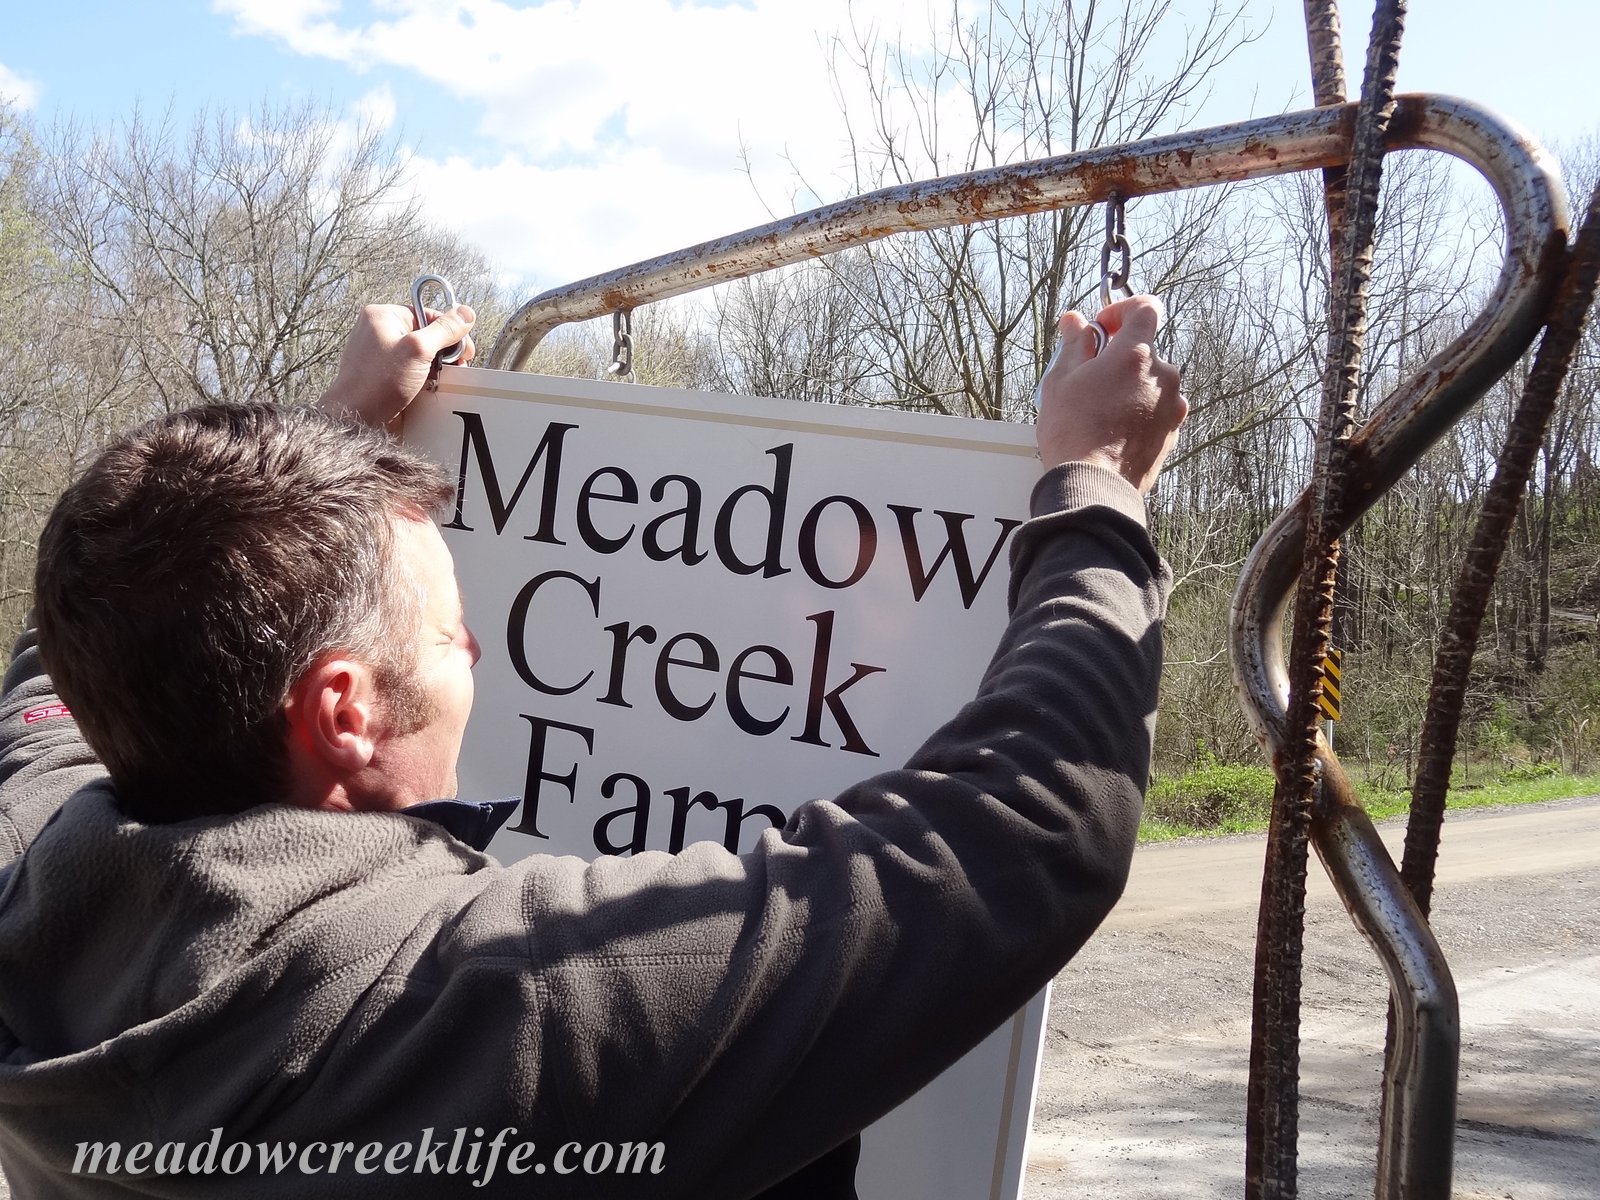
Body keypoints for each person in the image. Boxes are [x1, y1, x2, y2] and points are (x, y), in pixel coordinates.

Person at [0, 293, 1184, 1198]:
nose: (478, 651)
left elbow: (79, 646)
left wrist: (331, 437)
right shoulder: (501, 1009)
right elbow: (1031, 827)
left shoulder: (31, 855)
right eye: (454, 629)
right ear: (344, 715)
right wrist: (1095, 497)